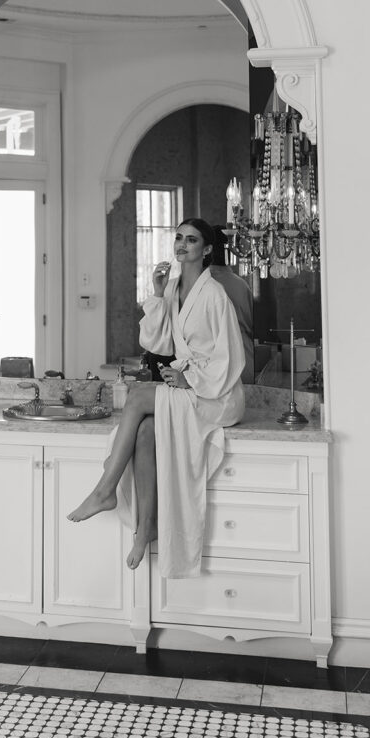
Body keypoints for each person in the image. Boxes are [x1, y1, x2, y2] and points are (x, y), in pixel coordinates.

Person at [67, 218, 245, 578]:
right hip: (188, 387)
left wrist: (188, 378)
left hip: (215, 395)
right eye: (178, 237)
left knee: (136, 398)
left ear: (207, 249)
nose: (181, 244)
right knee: (145, 435)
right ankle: (146, 527)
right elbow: (157, 343)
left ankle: (105, 489)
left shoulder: (215, 295)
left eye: (191, 240)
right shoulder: (175, 287)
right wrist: (158, 291)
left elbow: (231, 357)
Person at [210, 226, 255, 384]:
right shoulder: (240, 285)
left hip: (212, 367)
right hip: (243, 361)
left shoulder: (195, 285)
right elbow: (251, 325)